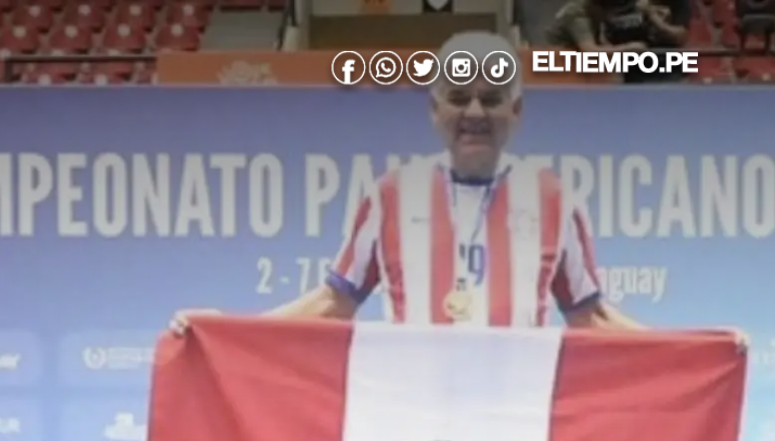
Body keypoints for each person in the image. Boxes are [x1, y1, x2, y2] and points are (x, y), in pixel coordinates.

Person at [170, 31, 697, 336]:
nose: (475, 112)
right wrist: (228, 331)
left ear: (516, 111)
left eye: (492, 99)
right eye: (459, 97)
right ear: (434, 109)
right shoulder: (390, 195)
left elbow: (591, 317)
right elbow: (334, 303)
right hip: (413, 422)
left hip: (518, 424)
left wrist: (696, 350)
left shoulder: (554, 199)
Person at [545, 0, 689, 84]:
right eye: (608, 13)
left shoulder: (593, 11)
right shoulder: (578, 16)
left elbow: (602, 42)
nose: (609, 16)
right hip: (560, 71)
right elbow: (590, 51)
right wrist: (629, 48)